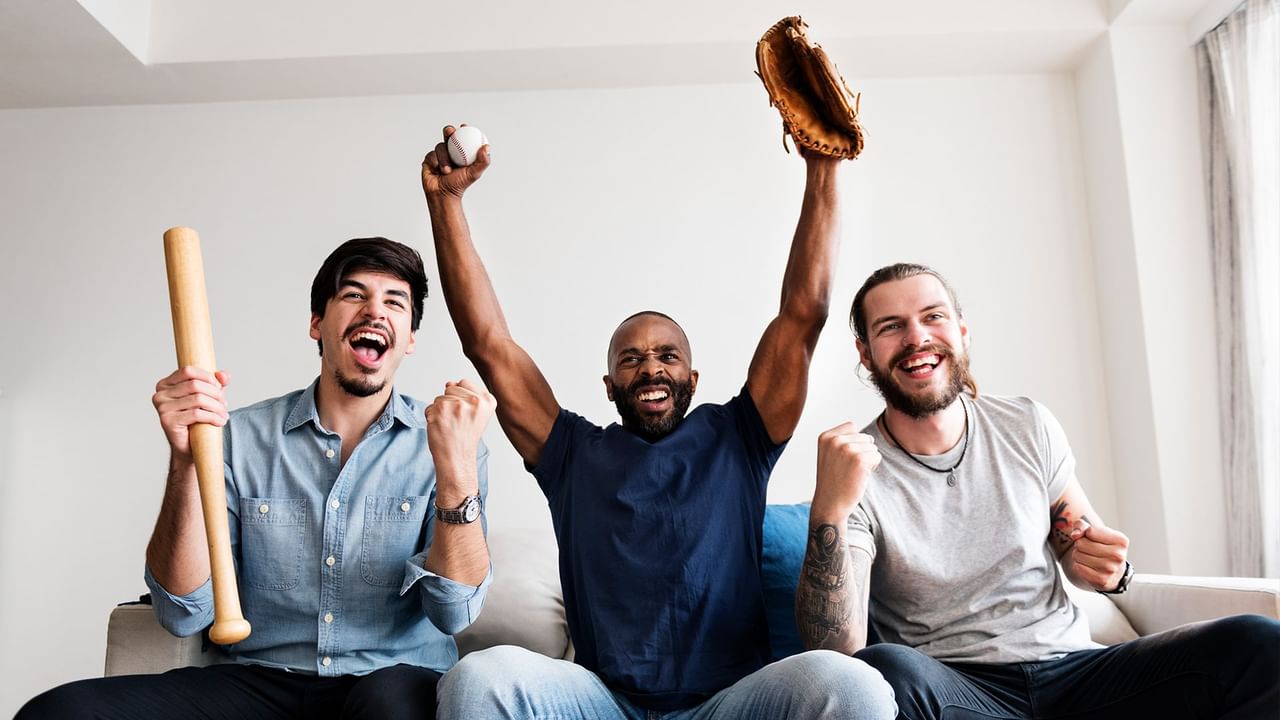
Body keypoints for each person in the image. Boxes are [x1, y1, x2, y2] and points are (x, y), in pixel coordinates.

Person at [420, 126, 896, 719]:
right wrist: (446, 202)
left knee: (859, 687)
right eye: (631, 358)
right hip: (604, 704)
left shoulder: (740, 437)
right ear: (610, 386)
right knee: (478, 677)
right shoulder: (571, 453)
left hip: (728, 704)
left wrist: (822, 170)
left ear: (693, 380)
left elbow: (803, 316)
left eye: (668, 356)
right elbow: (489, 345)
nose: (650, 367)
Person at [18, 237, 495, 720]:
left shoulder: (452, 443)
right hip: (261, 680)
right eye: (354, 295)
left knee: (388, 709)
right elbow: (183, 612)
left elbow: (453, 613)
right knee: (57, 712)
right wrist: (186, 462)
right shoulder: (235, 437)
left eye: (395, 302)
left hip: (392, 681)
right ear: (317, 323)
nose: (375, 311)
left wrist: (455, 467)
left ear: (409, 338)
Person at [797, 261, 1280, 719]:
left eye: (933, 317)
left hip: (1075, 673)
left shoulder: (1027, 424)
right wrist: (829, 512)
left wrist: (1106, 569)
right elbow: (836, 656)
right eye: (891, 326)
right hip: (960, 692)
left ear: (961, 331)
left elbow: (1080, 550)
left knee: (1257, 642)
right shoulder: (857, 470)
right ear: (865, 352)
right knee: (887, 669)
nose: (917, 337)